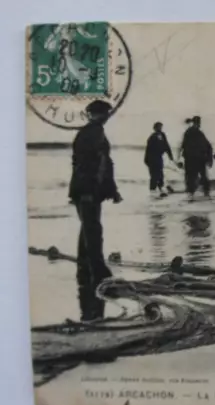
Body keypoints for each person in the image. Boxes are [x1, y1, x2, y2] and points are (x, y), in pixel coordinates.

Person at [68, 99, 123, 321]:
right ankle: (98, 273)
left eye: (106, 112)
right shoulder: (91, 134)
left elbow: (104, 164)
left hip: (88, 191)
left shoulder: (94, 132)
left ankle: (84, 271)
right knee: (93, 230)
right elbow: (86, 166)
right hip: (87, 191)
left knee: (87, 230)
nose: (106, 116)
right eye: (103, 113)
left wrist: (112, 190)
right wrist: (89, 191)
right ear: (95, 114)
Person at [179, 115, 214, 200]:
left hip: (194, 159)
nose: (199, 124)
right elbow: (208, 146)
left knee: (193, 177)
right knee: (197, 177)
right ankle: (204, 194)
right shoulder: (195, 133)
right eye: (198, 123)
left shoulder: (191, 132)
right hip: (196, 159)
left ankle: (194, 194)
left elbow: (183, 146)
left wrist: (209, 159)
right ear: (196, 123)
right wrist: (209, 159)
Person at [144, 122, 174, 197]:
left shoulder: (162, 135)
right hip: (152, 158)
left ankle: (160, 189)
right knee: (154, 175)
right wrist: (146, 160)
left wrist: (170, 155)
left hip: (158, 157)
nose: (160, 128)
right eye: (159, 127)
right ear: (155, 128)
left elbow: (166, 146)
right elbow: (148, 150)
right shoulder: (152, 137)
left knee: (160, 174)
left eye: (161, 127)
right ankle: (153, 191)